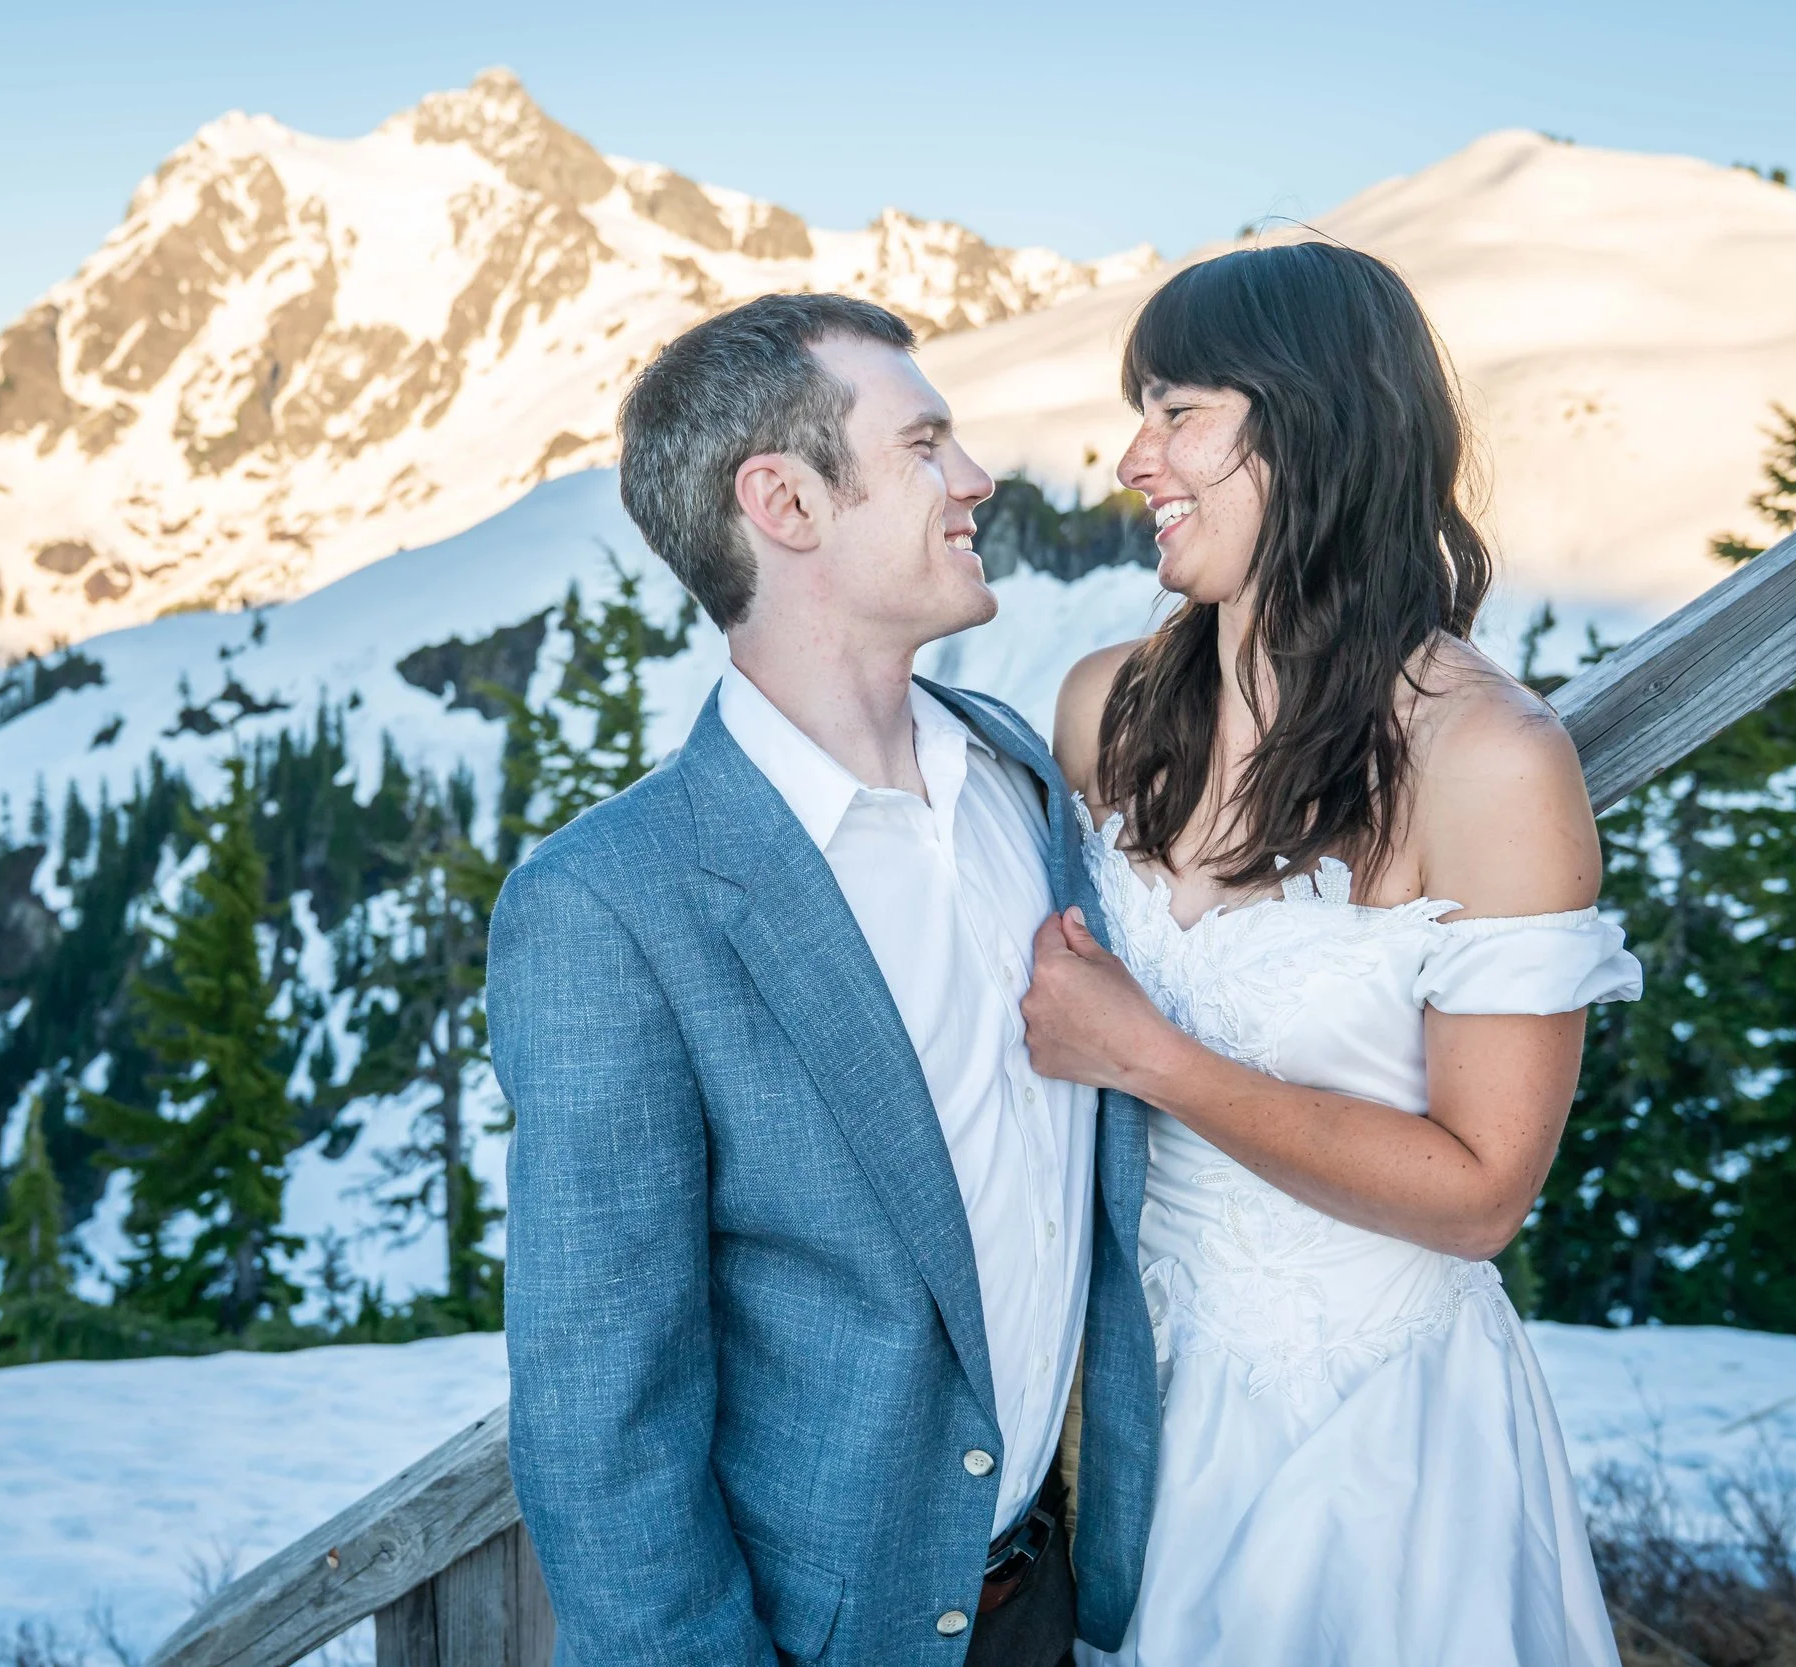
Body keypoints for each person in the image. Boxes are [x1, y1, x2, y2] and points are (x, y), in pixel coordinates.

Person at [488, 293, 1159, 1667]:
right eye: (926, 445)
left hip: (1058, 1601)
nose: (975, 478)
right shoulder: (610, 902)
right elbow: (600, 1415)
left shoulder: (1022, 778)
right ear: (784, 500)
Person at [1021, 243, 1642, 1666]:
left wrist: (1155, 1061)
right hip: (1128, 1426)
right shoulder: (1103, 708)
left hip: (1369, 1442)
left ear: (1313, 422)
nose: (1134, 457)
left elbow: (1483, 1193)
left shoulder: (1489, 760)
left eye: (1178, 411)